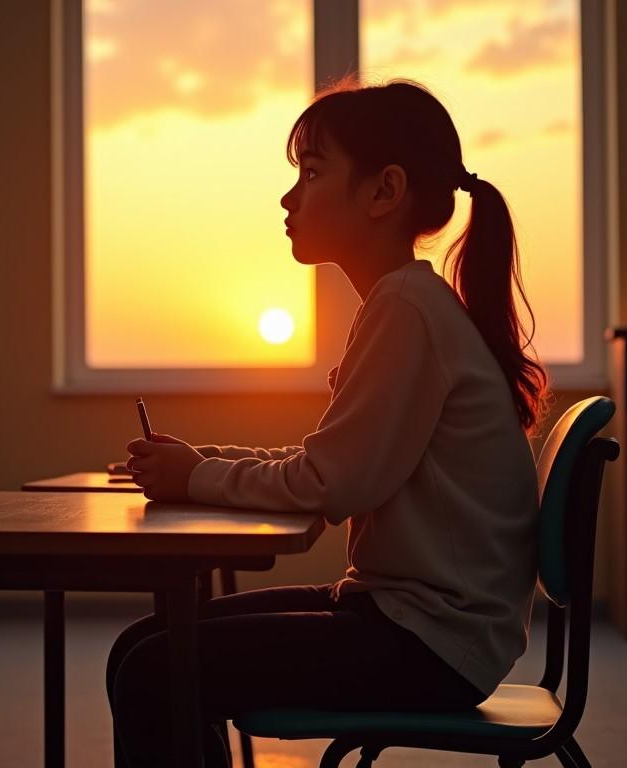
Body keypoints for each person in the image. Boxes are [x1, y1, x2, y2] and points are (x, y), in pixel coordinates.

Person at [108, 79, 553, 768]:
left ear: (384, 192)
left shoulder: (405, 308)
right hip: (408, 617)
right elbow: (335, 460)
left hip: (430, 642)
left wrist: (198, 475)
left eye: (311, 174)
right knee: (145, 645)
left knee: (152, 668)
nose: (289, 198)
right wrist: (201, 462)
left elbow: (329, 484)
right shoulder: (404, 302)